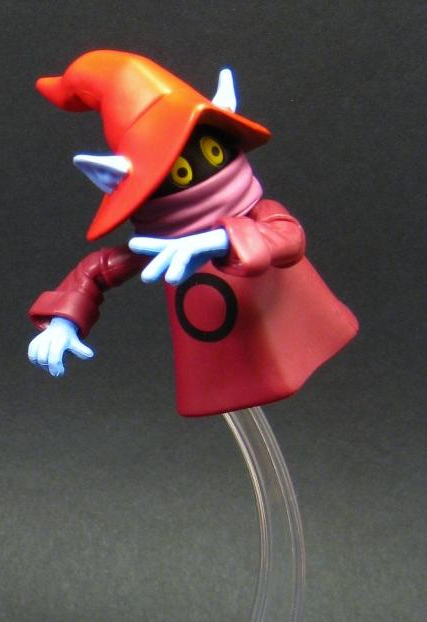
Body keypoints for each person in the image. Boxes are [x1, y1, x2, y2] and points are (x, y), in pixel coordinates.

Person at [25, 50, 357, 415]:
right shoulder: (162, 246)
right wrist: (64, 321)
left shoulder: (259, 215)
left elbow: (288, 238)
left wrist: (224, 239)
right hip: (218, 358)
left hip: (287, 320)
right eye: (180, 173)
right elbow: (97, 270)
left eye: (213, 151)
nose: (202, 172)